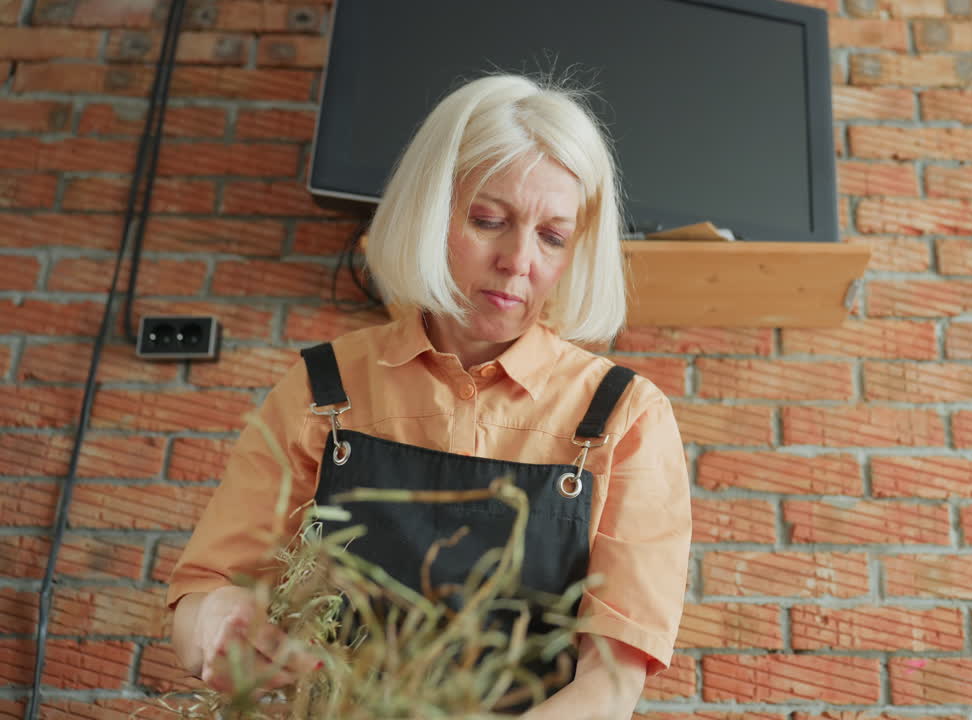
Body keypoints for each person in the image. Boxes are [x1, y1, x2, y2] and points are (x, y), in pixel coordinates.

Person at [166, 74, 692, 719]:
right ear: (427, 210)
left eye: (553, 237)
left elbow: (609, 686)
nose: (518, 259)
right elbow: (206, 593)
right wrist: (218, 621)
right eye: (488, 220)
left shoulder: (622, 416)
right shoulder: (322, 389)